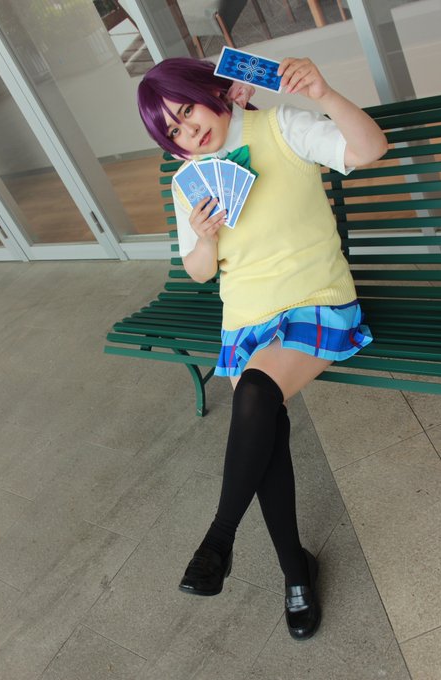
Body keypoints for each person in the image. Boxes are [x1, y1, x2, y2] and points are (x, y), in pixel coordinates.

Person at [137, 56, 387, 640]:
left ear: (212, 91)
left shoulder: (281, 127)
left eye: (188, 110)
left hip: (315, 300)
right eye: (173, 129)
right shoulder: (188, 181)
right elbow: (201, 272)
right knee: (262, 425)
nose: (189, 130)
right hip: (247, 319)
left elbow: (370, 149)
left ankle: (222, 539)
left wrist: (324, 94)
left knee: (254, 393)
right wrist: (205, 239)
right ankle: (294, 569)